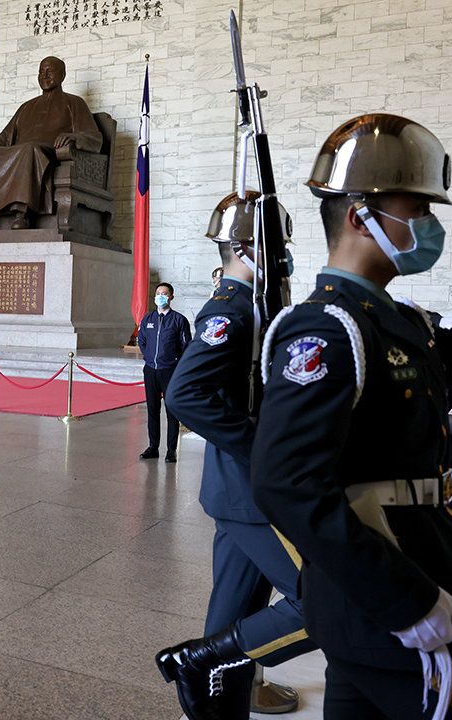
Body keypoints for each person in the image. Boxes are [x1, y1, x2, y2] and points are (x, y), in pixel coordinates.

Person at [250, 112, 452, 718]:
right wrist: (403, 600)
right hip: (393, 598)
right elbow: (285, 484)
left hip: (415, 575)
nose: (430, 226)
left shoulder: (396, 319)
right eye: (418, 210)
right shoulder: (327, 330)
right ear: (362, 216)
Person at [155, 193, 312, 720]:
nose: (284, 254)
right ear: (246, 247)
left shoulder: (256, 305)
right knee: (326, 603)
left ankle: (216, 707)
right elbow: (185, 395)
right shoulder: (232, 308)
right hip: (253, 492)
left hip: (241, 493)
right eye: (277, 244)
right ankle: (201, 668)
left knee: (234, 615)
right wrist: (265, 452)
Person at [0, 56, 101, 230]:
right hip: (20, 153)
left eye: (49, 71)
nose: (44, 76)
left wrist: (73, 137)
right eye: (40, 72)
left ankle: (22, 214)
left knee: (29, 149)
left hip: (47, 153)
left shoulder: (74, 103)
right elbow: (3, 140)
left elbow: (94, 137)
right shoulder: (26, 107)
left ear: (62, 75)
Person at [136, 282, 191, 462]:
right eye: (158, 293)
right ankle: (153, 447)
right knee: (153, 410)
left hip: (170, 371)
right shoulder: (148, 319)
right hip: (151, 370)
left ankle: (171, 450)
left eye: (164, 293)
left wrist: (177, 364)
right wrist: (149, 357)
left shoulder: (179, 320)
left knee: (171, 410)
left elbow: (186, 346)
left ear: (171, 297)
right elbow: (142, 341)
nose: (161, 296)